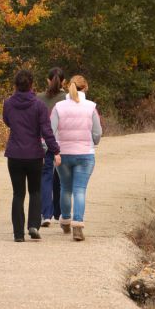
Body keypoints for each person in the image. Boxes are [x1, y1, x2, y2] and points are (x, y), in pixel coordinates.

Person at [2, 69, 60, 242]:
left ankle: (18, 234)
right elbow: (47, 131)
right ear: (32, 85)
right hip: (34, 154)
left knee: (18, 194)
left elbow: (7, 121)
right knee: (35, 191)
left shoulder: (8, 103)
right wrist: (55, 150)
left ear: (15, 85)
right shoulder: (39, 105)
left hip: (14, 154)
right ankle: (33, 225)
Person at [51, 75, 102, 242]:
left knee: (65, 188)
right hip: (85, 154)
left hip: (63, 153)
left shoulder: (58, 107)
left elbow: (51, 130)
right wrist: (93, 142)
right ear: (85, 88)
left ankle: (65, 219)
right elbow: (97, 132)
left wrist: (53, 149)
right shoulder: (91, 107)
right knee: (79, 190)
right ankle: (78, 225)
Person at [37, 67, 67, 227]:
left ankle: (46, 213)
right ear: (64, 82)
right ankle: (60, 212)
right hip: (62, 143)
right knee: (61, 178)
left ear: (47, 80)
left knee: (46, 176)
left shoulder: (39, 98)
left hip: (43, 142)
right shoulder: (68, 99)